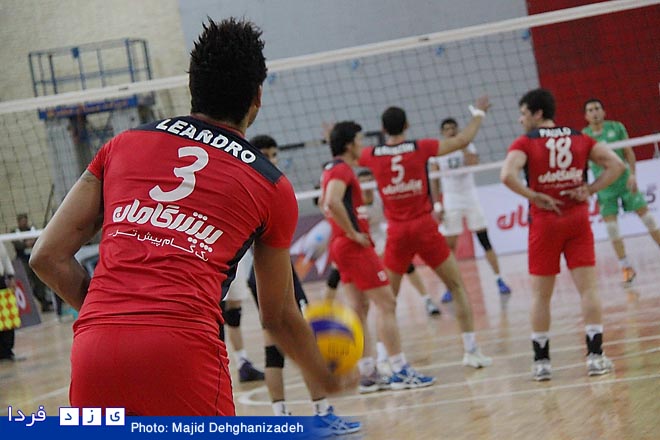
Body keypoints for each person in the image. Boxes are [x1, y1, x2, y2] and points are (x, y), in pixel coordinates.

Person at [29, 18, 343, 416]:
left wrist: (111, 313)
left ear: (191, 85)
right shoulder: (270, 184)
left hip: (96, 350)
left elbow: (46, 256)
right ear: (257, 97)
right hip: (183, 349)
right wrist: (327, 375)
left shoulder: (123, 144)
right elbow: (278, 317)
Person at [500, 88, 625, 381]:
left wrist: (534, 195)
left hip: (545, 222)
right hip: (577, 219)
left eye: (523, 113)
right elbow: (617, 165)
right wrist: (590, 189)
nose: (520, 120)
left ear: (537, 113)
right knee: (588, 290)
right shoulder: (580, 137)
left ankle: (541, 363)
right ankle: (595, 357)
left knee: (540, 295)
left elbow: (506, 175)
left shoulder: (525, 142)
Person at [358, 101, 493, 369]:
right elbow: (463, 140)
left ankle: (384, 358)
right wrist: (478, 114)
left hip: (397, 232)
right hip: (424, 228)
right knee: (457, 287)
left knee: (387, 301)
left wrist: (331, 138)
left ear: (383, 129)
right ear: (407, 125)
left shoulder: (371, 154)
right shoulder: (421, 147)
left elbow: (346, 156)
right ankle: (471, 351)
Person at [247, 134, 360, 434]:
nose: (271, 159)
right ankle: (320, 412)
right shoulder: (265, 186)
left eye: (274, 153)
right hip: (274, 271)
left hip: (262, 272)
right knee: (303, 341)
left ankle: (282, 418)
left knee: (275, 348)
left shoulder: (252, 184)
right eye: (265, 153)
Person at [321, 121, 436, 393]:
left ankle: (368, 373)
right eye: (359, 140)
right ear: (349, 144)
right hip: (353, 245)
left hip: (341, 245)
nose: (362, 144)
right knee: (387, 303)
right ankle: (399, 369)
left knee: (359, 308)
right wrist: (353, 233)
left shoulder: (331, 167)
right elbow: (332, 202)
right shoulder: (341, 169)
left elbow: (330, 203)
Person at [429, 118, 512, 303]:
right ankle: (450, 286)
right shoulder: (437, 151)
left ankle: (499, 279)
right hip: (451, 199)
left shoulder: (468, 146)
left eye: (453, 128)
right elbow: (434, 179)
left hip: (470, 197)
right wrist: (437, 205)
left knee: (484, 239)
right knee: (449, 246)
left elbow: (474, 164)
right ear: (442, 132)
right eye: (447, 129)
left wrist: (463, 144)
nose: (450, 131)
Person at [583, 98, 660, 285]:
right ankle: (626, 268)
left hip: (625, 180)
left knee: (648, 219)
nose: (594, 112)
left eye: (597, 108)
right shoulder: (584, 135)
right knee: (611, 229)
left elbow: (628, 152)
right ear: (586, 116)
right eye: (590, 110)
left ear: (604, 112)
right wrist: (586, 186)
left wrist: (633, 174)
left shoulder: (616, 127)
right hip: (604, 186)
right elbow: (582, 163)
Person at [218, 249, 265, 383]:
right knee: (217, 308)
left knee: (234, 306)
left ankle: (242, 362)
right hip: (211, 252)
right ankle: (218, 365)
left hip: (235, 252)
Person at [12, 214, 53, 312]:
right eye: (22, 221)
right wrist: (26, 244)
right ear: (18, 222)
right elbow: (17, 244)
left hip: (34, 259)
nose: (24, 222)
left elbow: (40, 239)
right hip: (22, 261)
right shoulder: (14, 231)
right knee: (27, 282)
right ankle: (35, 303)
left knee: (40, 282)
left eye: (25, 220)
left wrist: (32, 242)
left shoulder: (32, 229)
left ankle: (44, 303)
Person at [0, 243, 21, 362]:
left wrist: (11, 276)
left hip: (1, 281)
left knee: (7, 316)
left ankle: (8, 350)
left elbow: (4, 256)